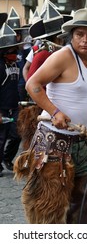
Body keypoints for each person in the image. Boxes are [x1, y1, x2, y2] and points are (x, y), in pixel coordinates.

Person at [14, 8, 87, 224]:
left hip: (84, 140)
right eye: (79, 34)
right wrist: (54, 111)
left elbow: (84, 87)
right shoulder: (64, 56)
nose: (84, 40)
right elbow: (33, 84)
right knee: (50, 208)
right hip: (54, 142)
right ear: (72, 35)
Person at [0, 23, 25, 177]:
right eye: (11, 51)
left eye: (16, 50)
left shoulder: (15, 64)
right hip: (2, 108)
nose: (15, 53)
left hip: (14, 106)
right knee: (1, 138)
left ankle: (7, 158)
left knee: (17, 134)